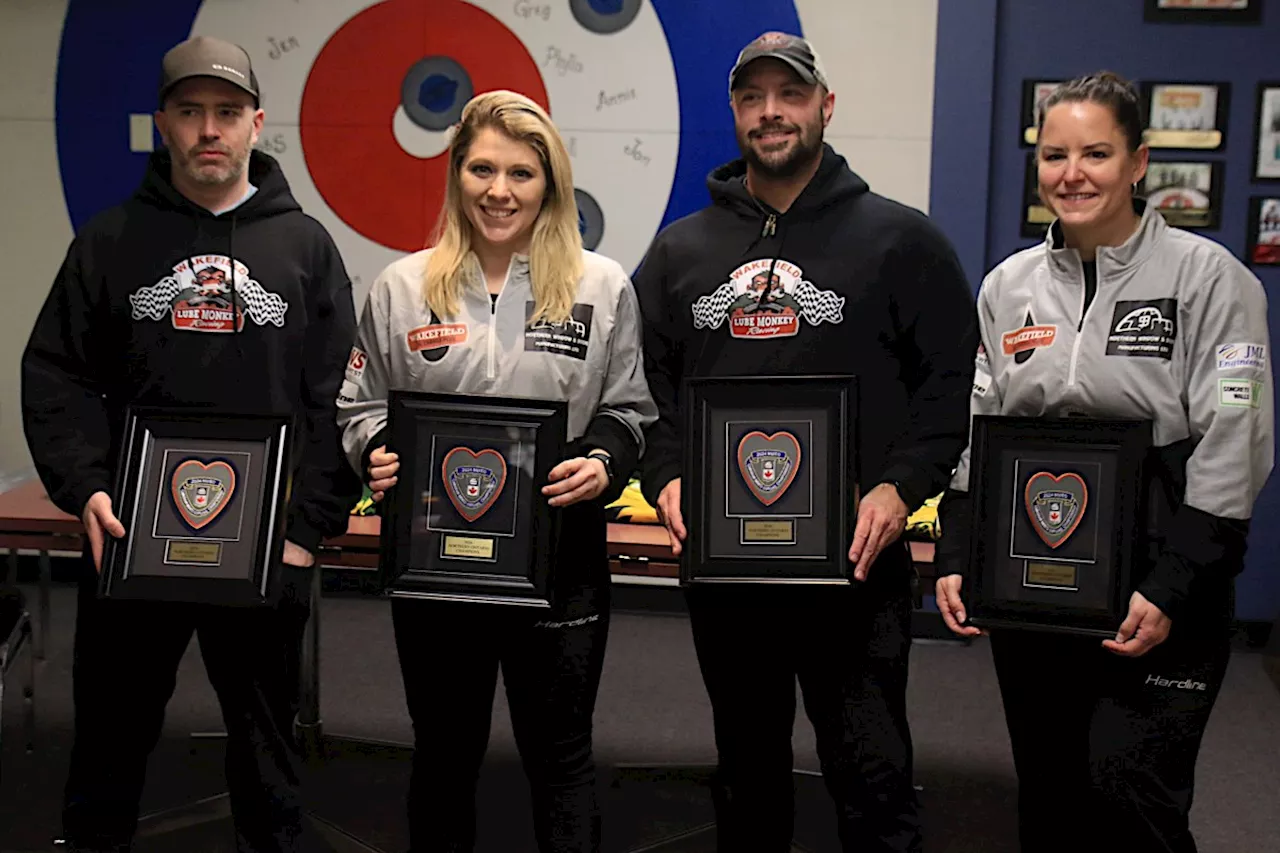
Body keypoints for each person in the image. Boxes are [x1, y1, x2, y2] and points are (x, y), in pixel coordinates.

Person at [633, 32, 977, 853]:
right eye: (753, 98)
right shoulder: (681, 252)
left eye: (789, 95)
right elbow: (647, 393)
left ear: (825, 105)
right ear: (735, 113)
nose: (771, 113)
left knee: (872, 770)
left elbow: (948, 392)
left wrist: (899, 487)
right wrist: (671, 473)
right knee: (745, 768)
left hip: (856, 566)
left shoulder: (904, 241)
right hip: (728, 568)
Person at [21, 36, 361, 853]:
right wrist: (88, 488)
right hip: (133, 547)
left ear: (257, 124)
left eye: (227, 112)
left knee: (267, 759)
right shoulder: (109, 242)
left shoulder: (305, 249)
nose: (210, 129)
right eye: (190, 112)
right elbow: (56, 374)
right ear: (162, 124)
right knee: (108, 744)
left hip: (266, 555)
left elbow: (338, 399)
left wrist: (306, 530)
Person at [934, 71, 1274, 853]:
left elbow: (1237, 433)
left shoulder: (1210, 279)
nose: (1072, 173)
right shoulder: (1008, 286)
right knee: (1050, 794)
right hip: (1036, 583)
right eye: (1055, 155)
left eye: (1096, 153)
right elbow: (981, 423)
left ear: (1139, 161)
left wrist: (1176, 582)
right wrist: (959, 548)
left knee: (1135, 799)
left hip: (1162, 584)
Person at [335, 89, 657, 853]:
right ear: (456, 175)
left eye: (521, 172)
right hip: (434, 561)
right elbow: (359, 404)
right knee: (444, 754)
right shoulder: (401, 286)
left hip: (560, 557)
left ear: (550, 182)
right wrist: (375, 450)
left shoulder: (600, 284)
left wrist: (604, 460)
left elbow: (631, 409)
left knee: (562, 756)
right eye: (482, 168)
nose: (499, 190)